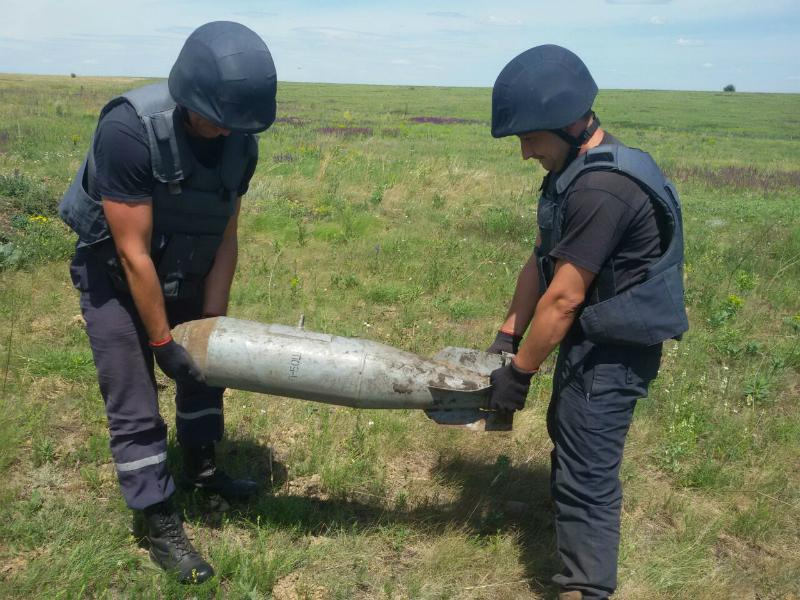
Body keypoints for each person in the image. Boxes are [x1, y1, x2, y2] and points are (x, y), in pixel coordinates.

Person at [58, 21, 277, 583]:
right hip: (114, 272)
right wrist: (159, 341)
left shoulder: (240, 143)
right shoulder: (130, 130)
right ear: (189, 96)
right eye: (219, 118)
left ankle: (203, 471)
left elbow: (227, 237)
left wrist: (211, 325)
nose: (227, 132)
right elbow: (132, 253)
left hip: (188, 266)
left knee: (206, 371)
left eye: (238, 124)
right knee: (134, 396)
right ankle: (158, 518)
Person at [485, 45, 688, 599]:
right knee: (571, 435)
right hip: (592, 336)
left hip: (613, 349)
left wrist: (519, 373)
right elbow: (540, 258)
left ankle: (585, 588)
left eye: (531, 138)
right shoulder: (573, 170)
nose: (525, 153)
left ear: (571, 125)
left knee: (588, 469)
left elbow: (565, 299)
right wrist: (508, 334)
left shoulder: (602, 187)